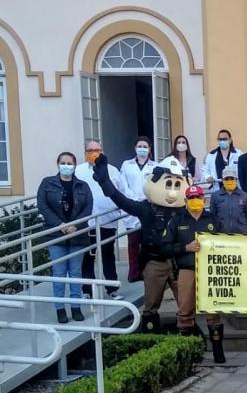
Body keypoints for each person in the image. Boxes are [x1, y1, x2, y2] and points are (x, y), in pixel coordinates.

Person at [91, 154, 190, 333]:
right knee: (151, 303)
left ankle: (188, 333)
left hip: (179, 261)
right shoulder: (146, 208)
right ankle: (150, 335)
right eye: (168, 184)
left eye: (177, 185)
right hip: (154, 261)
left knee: (186, 301)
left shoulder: (185, 210)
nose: (172, 192)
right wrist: (106, 183)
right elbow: (123, 202)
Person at [161, 185, 226, 363]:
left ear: (204, 200)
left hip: (210, 272)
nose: (195, 201)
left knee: (213, 312)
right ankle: (188, 357)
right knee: (185, 312)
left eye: (198, 197)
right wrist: (185, 248)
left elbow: (227, 243)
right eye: (191, 198)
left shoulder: (213, 219)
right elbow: (164, 247)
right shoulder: (177, 221)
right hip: (186, 270)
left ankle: (218, 354)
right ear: (185, 201)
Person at [37, 152, 92, 323]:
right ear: (58, 164)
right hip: (56, 234)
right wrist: (59, 224)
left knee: (75, 272)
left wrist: (76, 225)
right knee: (59, 272)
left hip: (77, 235)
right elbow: (43, 205)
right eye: (63, 162)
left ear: (75, 165)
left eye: (70, 163)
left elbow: (88, 208)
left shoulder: (82, 186)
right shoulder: (48, 183)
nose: (66, 165)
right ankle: (60, 309)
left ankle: (76, 307)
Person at [75, 139, 122, 299]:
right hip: (86, 221)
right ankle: (87, 290)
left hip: (108, 220)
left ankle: (112, 288)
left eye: (98, 150)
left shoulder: (113, 170)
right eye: (91, 150)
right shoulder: (78, 171)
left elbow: (123, 192)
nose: (94, 153)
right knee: (88, 256)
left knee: (108, 254)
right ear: (85, 153)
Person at [120, 137, 158, 283]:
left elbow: (156, 186)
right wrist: (134, 198)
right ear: (135, 147)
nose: (142, 149)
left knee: (147, 242)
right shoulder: (126, 165)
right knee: (133, 242)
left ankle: (145, 271)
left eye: (145, 146)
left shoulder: (155, 166)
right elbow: (123, 185)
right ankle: (133, 273)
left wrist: (145, 198)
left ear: (149, 149)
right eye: (140, 146)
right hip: (132, 205)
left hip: (148, 205)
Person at [209, 166, 247, 235]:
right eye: (226, 179)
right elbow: (213, 215)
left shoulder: (244, 196)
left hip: (241, 235)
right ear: (222, 180)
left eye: (232, 178)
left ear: (236, 180)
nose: (229, 181)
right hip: (222, 235)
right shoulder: (215, 196)